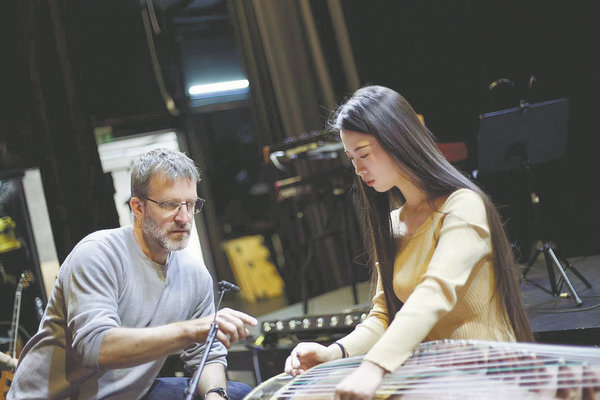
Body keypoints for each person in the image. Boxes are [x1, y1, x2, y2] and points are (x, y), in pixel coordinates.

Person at [284, 86, 534, 399]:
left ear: (397, 141)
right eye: (351, 159)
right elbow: (384, 317)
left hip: (482, 374)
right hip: (433, 375)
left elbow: (435, 292)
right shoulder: (391, 224)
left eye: (364, 154)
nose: (359, 169)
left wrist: (374, 368)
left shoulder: (463, 206)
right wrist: (334, 352)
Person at [8, 148, 257, 400]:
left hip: (129, 394)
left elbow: (207, 355)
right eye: (169, 205)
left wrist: (215, 394)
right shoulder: (97, 254)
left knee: (238, 395)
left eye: (190, 205)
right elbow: (96, 349)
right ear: (138, 207)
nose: (184, 218)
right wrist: (192, 330)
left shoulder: (194, 274)